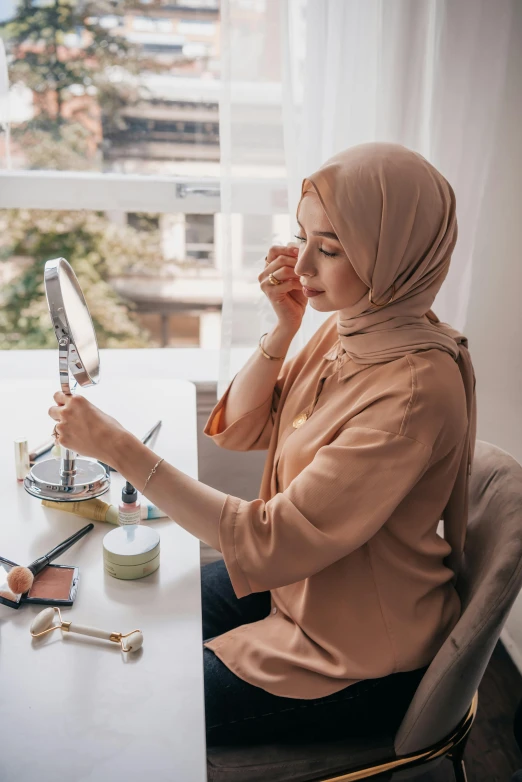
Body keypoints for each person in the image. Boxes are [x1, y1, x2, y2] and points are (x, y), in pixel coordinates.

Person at [48, 142, 477, 747]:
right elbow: (253, 428)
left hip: (353, 654)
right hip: (303, 588)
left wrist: (119, 448)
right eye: (300, 237)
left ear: (395, 256)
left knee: (132, 704)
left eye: (328, 249)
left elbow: (268, 538)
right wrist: (283, 328)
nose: (300, 266)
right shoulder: (350, 326)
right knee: (130, 608)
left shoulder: (412, 391)